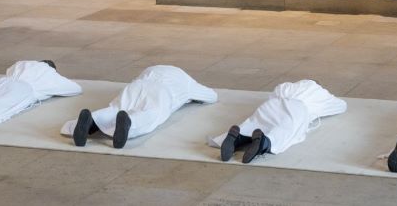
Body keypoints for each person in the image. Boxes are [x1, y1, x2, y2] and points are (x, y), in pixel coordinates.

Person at [63, 65, 218, 149]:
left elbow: (138, 77)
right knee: (151, 114)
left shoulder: (152, 68)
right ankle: (130, 122)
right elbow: (211, 96)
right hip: (162, 92)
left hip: (137, 85)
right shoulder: (187, 81)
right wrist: (191, 97)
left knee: (115, 108)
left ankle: (91, 120)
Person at [212, 80, 346, 164]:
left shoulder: (287, 86)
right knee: (284, 132)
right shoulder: (320, 93)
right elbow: (341, 106)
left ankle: (237, 138)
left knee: (254, 122)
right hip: (298, 108)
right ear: (319, 85)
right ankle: (264, 143)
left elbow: (275, 92)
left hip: (272, 104)